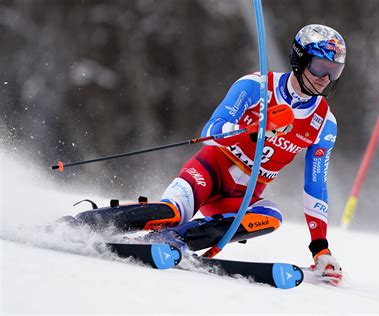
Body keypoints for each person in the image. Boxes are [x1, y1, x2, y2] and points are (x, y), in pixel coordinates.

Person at [72, 24, 346, 282]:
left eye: (334, 71)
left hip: (242, 194)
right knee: (173, 211)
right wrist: (254, 129)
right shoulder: (255, 86)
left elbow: (315, 187)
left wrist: (320, 248)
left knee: (271, 216)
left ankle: (174, 240)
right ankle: (81, 224)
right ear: (300, 59)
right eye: (321, 67)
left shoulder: (324, 123)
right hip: (209, 171)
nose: (326, 78)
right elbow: (212, 129)